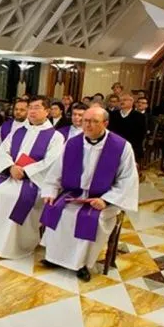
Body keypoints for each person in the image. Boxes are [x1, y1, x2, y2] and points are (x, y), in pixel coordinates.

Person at [40, 106, 139, 281]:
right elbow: (56, 171)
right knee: (58, 210)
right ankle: (55, 258)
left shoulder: (121, 147)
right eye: (86, 120)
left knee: (90, 219)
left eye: (94, 121)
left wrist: (106, 200)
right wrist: (50, 190)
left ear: (105, 123)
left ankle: (82, 264)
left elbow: (127, 180)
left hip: (102, 198)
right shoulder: (72, 143)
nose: (88, 125)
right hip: (74, 193)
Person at [0, 96, 64, 259]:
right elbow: (3, 151)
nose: (32, 111)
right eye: (31, 107)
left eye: (37, 107)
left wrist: (25, 171)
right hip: (10, 174)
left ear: (47, 112)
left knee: (14, 198)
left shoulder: (56, 137)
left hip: (33, 180)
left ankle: (12, 245)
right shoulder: (18, 131)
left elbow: (51, 162)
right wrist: (11, 167)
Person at [108, 93, 146, 163]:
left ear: (131, 102)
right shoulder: (113, 114)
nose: (122, 102)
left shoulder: (139, 116)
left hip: (132, 145)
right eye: (120, 100)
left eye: (124, 100)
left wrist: (126, 145)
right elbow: (110, 131)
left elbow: (140, 134)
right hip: (115, 143)